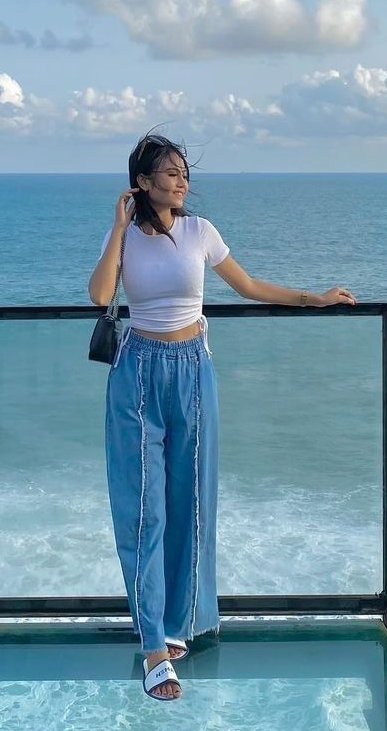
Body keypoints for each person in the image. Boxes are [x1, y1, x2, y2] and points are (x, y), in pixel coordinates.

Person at [88, 132, 357, 701]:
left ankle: (178, 622)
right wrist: (116, 227)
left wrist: (315, 298)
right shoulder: (129, 238)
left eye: (184, 171)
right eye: (167, 172)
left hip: (193, 371)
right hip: (137, 373)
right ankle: (153, 644)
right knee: (144, 509)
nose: (180, 181)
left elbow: (251, 285)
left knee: (191, 502)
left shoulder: (199, 232)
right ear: (141, 182)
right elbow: (99, 294)